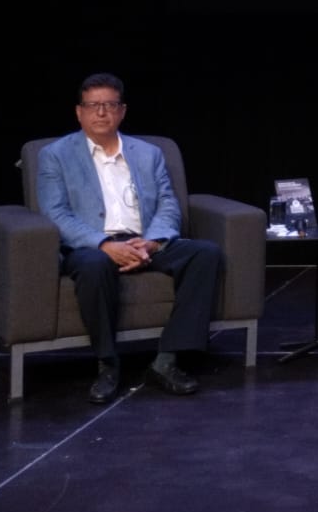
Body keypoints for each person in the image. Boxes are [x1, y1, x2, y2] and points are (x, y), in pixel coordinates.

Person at [34, 73, 222, 404]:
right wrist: (104, 244)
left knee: (205, 254)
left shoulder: (149, 153)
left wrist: (152, 241)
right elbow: (56, 213)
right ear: (79, 112)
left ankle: (167, 360)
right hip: (92, 245)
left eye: (109, 105)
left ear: (122, 111)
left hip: (143, 240)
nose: (101, 112)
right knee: (93, 266)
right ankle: (107, 364)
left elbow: (168, 204)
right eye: (93, 105)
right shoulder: (55, 155)